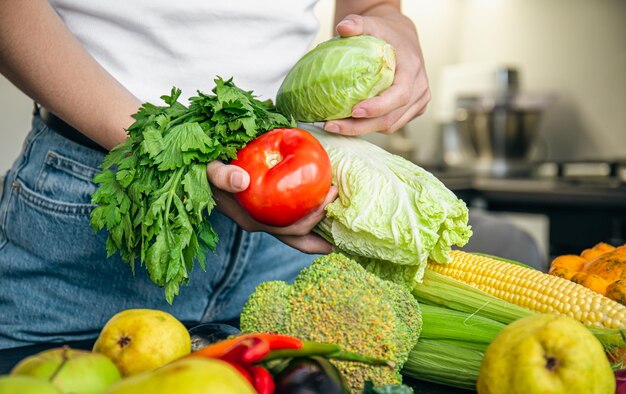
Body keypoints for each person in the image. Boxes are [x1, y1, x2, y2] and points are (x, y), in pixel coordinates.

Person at [0, 0, 431, 349]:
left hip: (294, 208)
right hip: (100, 195)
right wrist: (171, 152)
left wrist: (388, 18)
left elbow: (370, 5)